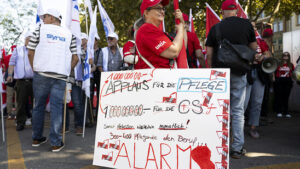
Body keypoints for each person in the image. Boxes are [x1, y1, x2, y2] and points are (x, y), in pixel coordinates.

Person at [205, 0, 257, 159]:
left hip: (219, 74)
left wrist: (210, 70)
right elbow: (254, 48)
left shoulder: (216, 28)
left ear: (222, 12)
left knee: (218, 110)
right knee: (237, 111)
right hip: (239, 72)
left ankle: (216, 145)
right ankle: (236, 148)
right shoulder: (247, 25)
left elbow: (209, 53)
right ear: (236, 11)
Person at [27, 8, 79, 152]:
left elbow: (30, 51)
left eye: (45, 17)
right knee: (57, 107)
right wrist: (66, 70)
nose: (43, 19)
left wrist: (34, 68)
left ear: (52, 17)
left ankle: (36, 138)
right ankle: (56, 142)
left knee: (39, 106)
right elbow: (76, 58)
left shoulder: (40, 29)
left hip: (41, 73)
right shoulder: (69, 34)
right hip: (60, 76)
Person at [135, 0, 185, 69]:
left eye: (163, 9)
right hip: (159, 78)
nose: (162, 12)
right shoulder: (146, 29)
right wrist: (180, 30)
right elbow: (174, 52)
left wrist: (182, 23)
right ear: (146, 13)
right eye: (158, 9)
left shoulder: (156, 32)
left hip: (164, 76)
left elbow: (182, 46)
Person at [244, 22, 272, 139]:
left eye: (255, 27)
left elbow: (269, 54)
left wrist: (264, 56)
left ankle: (253, 127)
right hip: (246, 72)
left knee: (257, 102)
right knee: (243, 102)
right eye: (251, 27)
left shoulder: (261, 41)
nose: (254, 29)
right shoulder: (243, 40)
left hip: (259, 72)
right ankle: (237, 127)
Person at [7, 31, 34, 131]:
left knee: (37, 102)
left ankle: (35, 121)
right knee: (21, 103)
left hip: (34, 80)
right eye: (28, 39)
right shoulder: (18, 50)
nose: (30, 41)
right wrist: (10, 75)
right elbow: (12, 63)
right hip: (21, 81)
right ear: (25, 40)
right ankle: (20, 122)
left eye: (31, 39)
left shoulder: (36, 50)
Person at [260, 28, 274, 123]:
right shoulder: (264, 43)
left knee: (264, 96)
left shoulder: (263, 43)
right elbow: (269, 58)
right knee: (263, 96)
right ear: (270, 36)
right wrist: (273, 75)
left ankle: (263, 116)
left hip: (264, 72)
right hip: (263, 73)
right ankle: (263, 116)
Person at [274, 52, 294, 118]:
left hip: (288, 81)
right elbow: (273, 72)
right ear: (282, 56)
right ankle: (279, 111)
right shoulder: (278, 64)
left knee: (286, 97)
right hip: (279, 81)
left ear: (289, 57)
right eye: (284, 55)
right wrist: (273, 79)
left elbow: (293, 73)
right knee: (279, 96)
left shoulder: (291, 65)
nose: (285, 56)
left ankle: (286, 112)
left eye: (287, 55)